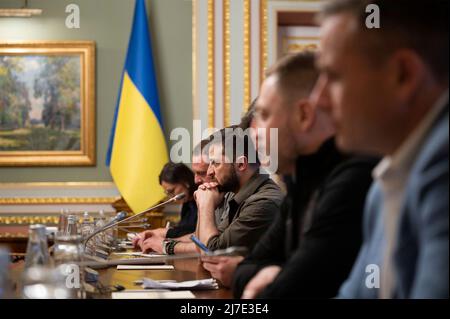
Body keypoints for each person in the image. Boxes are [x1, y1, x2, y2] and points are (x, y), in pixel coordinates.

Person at [204, 51, 378, 298]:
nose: (253, 133)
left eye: (264, 116)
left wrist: (268, 275)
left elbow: (288, 291)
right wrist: (265, 273)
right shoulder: (298, 181)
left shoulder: (351, 182)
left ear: (304, 116)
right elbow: (254, 263)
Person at [314, 0, 448, 298]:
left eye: (333, 77)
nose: (317, 100)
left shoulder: (442, 162)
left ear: (403, 75)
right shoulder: (384, 184)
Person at [138, 128, 284, 255]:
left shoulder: (262, 204)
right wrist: (167, 241)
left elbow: (210, 252)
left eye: (216, 163)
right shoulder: (235, 194)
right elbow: (203, 239)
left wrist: (205, 205)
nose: (210, 171)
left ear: (241, 164)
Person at [132, 162, 197, 245]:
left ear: (185, 182)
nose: (171, 197)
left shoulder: (201, 198)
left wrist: (162, 232)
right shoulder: (187, 203)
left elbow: (195, 233)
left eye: (172, 191)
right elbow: (183, 229)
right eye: (168, 193)